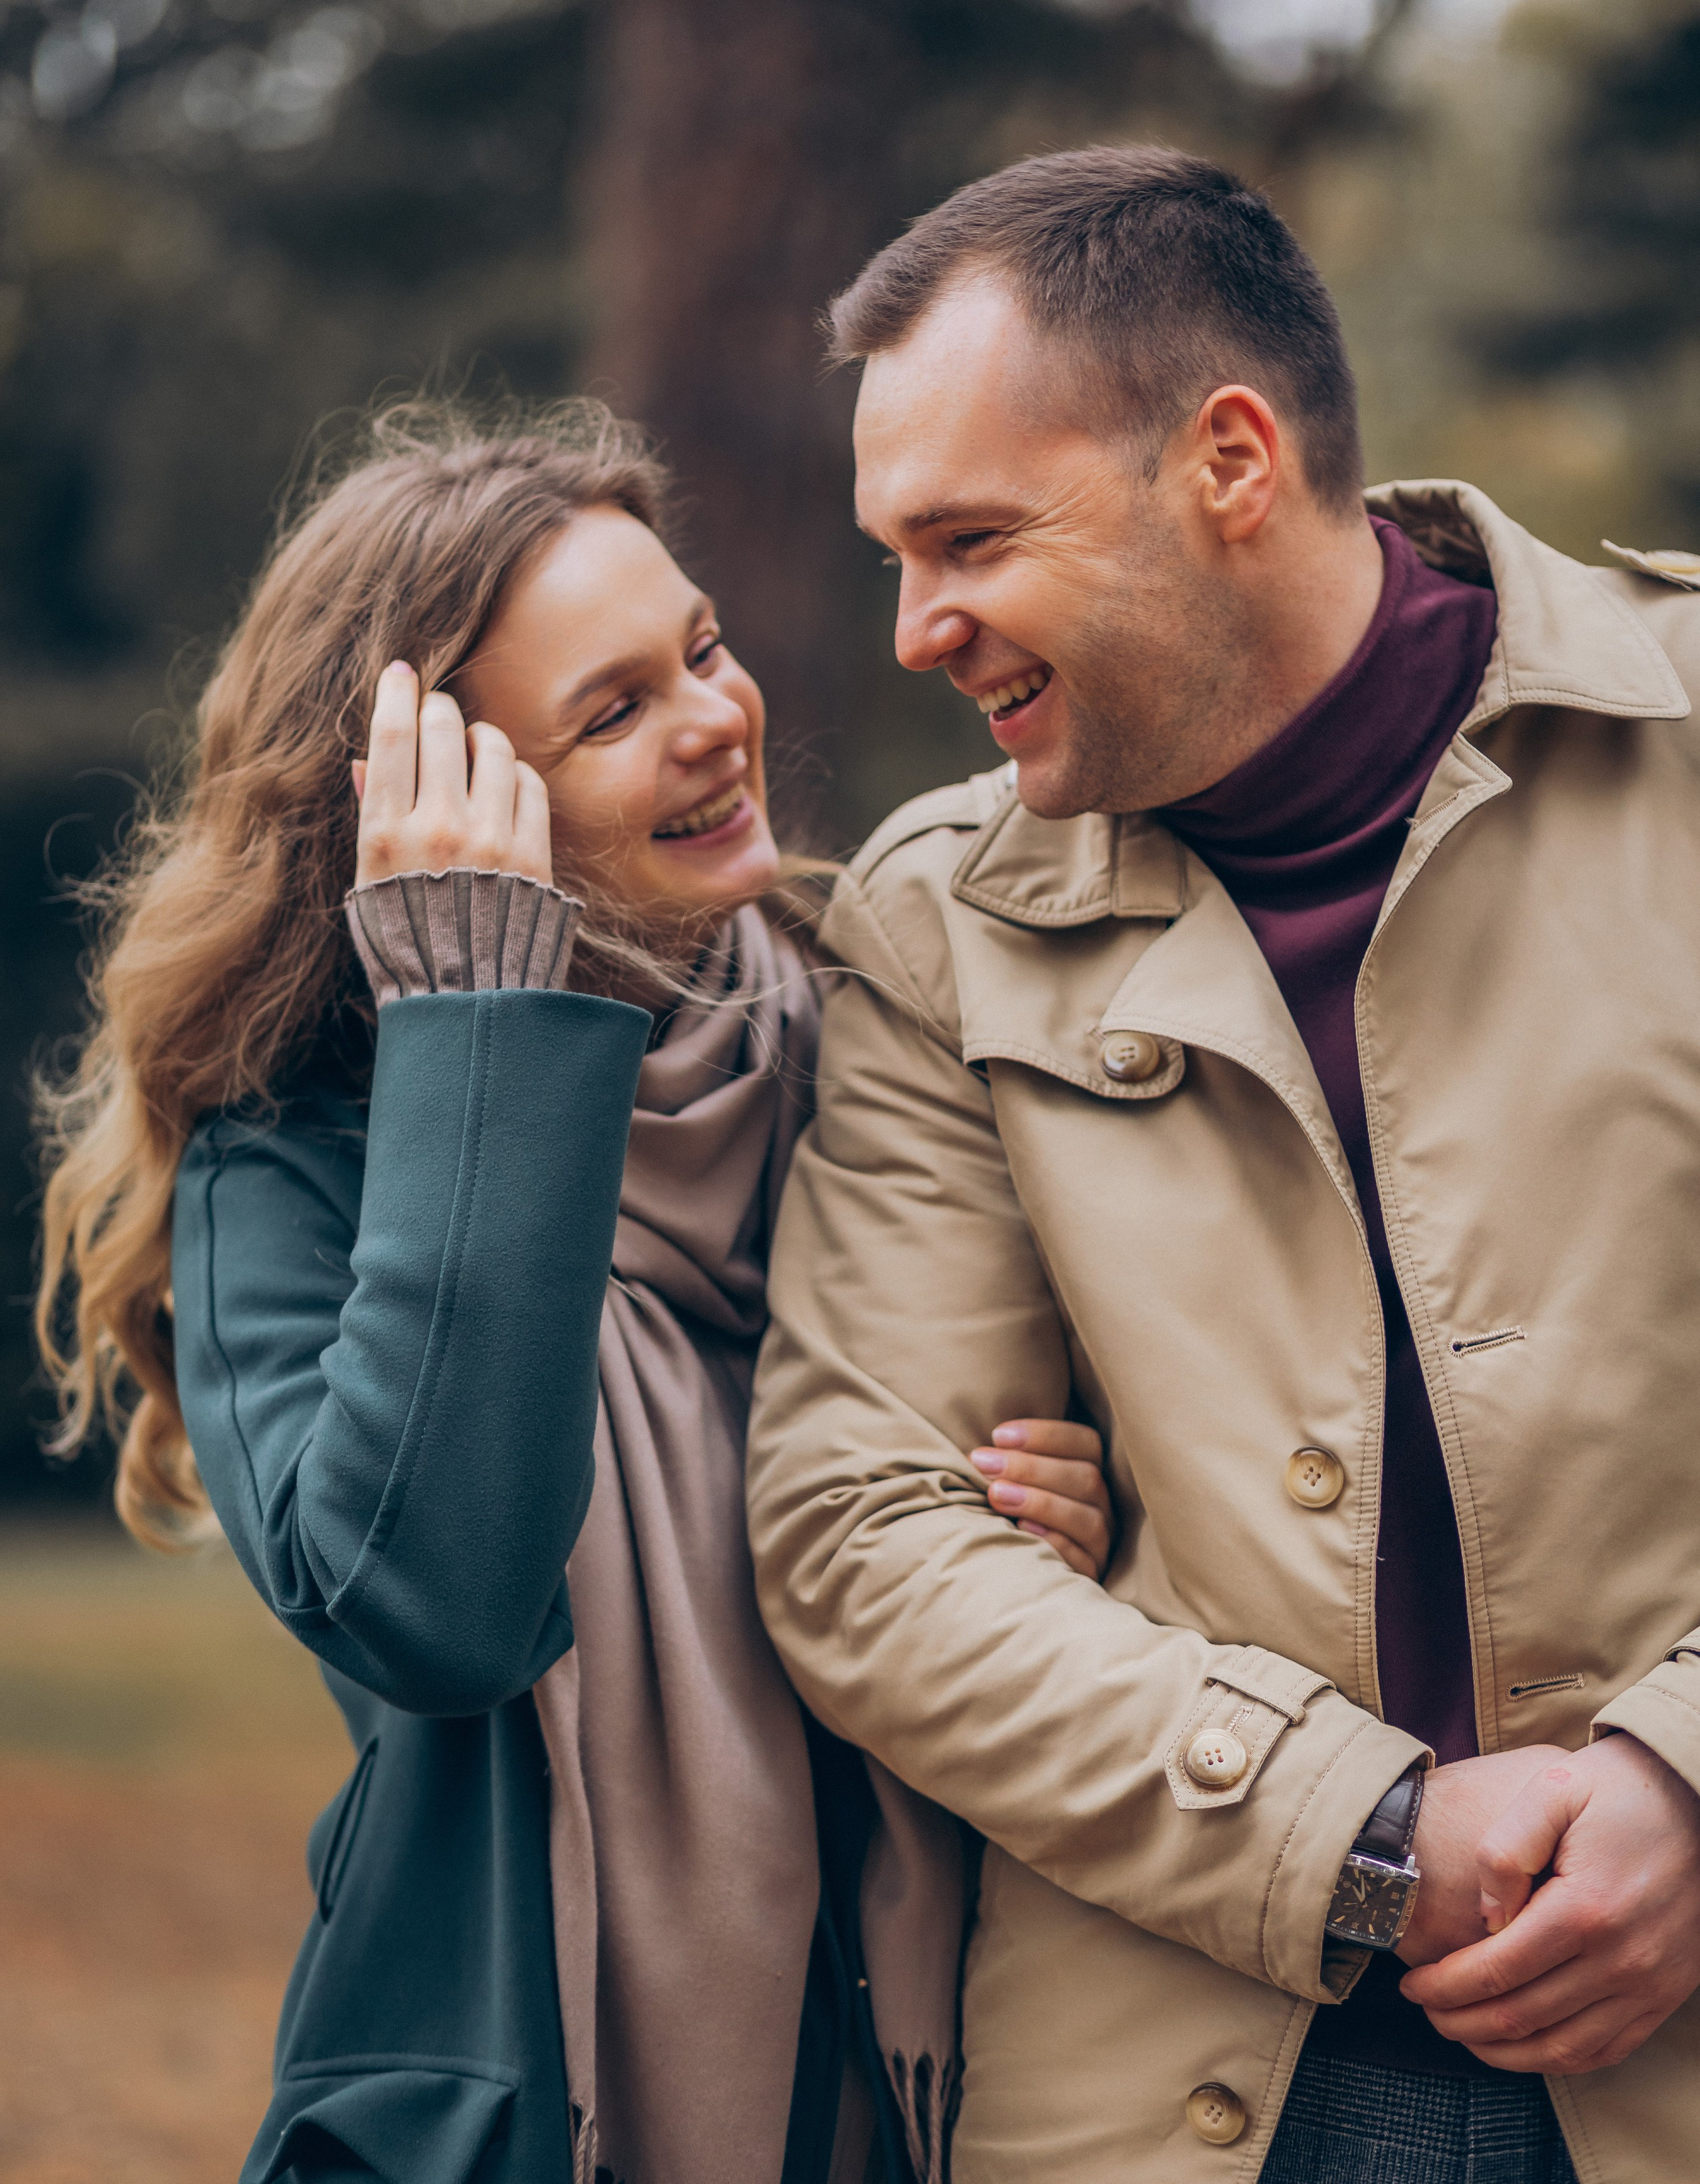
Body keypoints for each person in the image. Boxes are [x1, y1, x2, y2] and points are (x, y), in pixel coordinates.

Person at [744, 145, 1700, 2184]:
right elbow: (864, 1531)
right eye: (893, 559)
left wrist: (1689, 1777)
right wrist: (1358, 1833)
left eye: (971, 539)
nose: (917, 632)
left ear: (1232, 463)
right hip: (1193, 2087)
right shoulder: (934, 925)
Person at [33, 401, 1113, 2184]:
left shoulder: (884, 1041)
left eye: (697, 648)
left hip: (941, 2104)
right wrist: (478, 1020)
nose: (714, 720)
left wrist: (1059, 1531)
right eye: (611, 713)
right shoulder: (293, 1175)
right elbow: (435, 1604)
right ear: (435, 816)